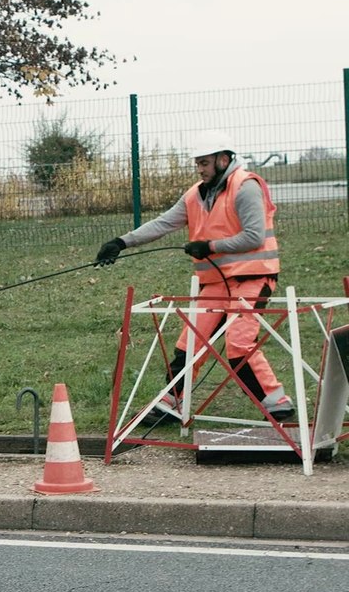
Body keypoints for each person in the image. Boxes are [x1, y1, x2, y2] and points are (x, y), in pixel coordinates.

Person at [94, 130, 292, 422]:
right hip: (215, 282)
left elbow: (253, 236)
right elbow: (162, 224)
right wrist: (121, 242)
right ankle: (172, 404)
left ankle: (279, 405)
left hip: (252, 278)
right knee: (189, 345)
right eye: (198, 163)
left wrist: (209, 246)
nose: (200, 169)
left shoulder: (246, 186)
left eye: (204, 163)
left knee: (239, 345)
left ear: (223, 160)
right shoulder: (196, 194)